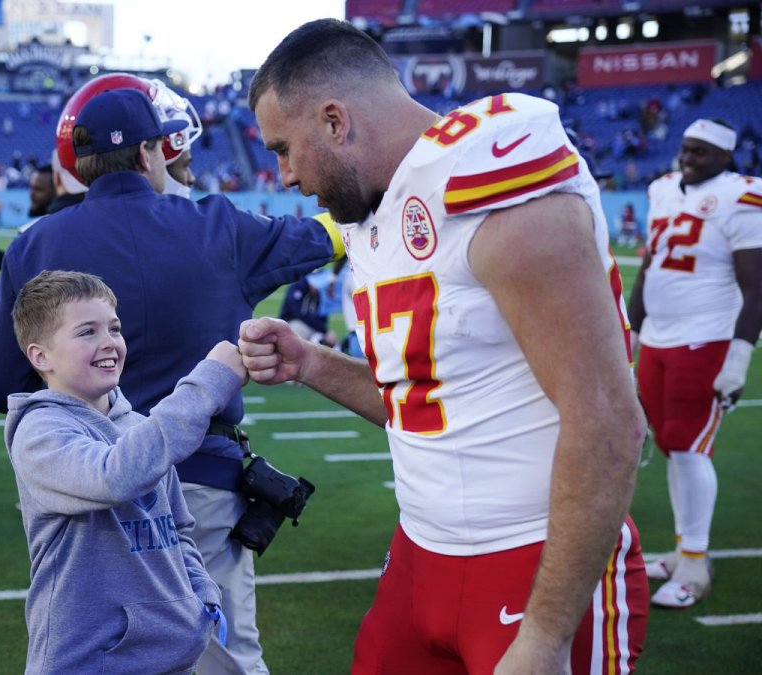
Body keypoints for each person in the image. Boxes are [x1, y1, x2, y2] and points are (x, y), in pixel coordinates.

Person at [243, 19, 647, 674]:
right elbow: (425, 401)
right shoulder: (380, 209)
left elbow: (608, 420)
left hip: (531, 561)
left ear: (336, 121)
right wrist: (311, 362)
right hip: (419, 556)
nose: (283, 174)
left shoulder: (493, 177)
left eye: (285, 148)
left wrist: (544, 637)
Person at [0, 84, 342, 675]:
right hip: (199, 482)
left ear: (79, 165)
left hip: (79, 494)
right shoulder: (217, 225)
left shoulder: (34, 244)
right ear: (151, 154)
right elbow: (323, 236)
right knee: (225, 658)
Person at [6, 270, 246, 674]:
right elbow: (114, 476)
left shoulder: (137, 426)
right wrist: (206, 385)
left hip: (171, 656)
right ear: (40, 356)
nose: (109, 342)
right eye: (87, 332)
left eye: (114, 328)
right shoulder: (39, 432)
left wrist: (200, 597)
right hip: (88, 661)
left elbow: (178, 529)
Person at [627, 118, 762, 609]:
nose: (688, 157)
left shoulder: (743, 196)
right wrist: (635, 330)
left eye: (701, 152)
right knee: (671, 444)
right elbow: (648, 268)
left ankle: (696, 564)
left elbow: (757, 288)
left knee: (688, 448)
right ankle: (686, 550)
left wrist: (738, 358)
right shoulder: (662, 189)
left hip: (705, 340)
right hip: (660, 339)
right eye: (685, 148)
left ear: (726, 157)